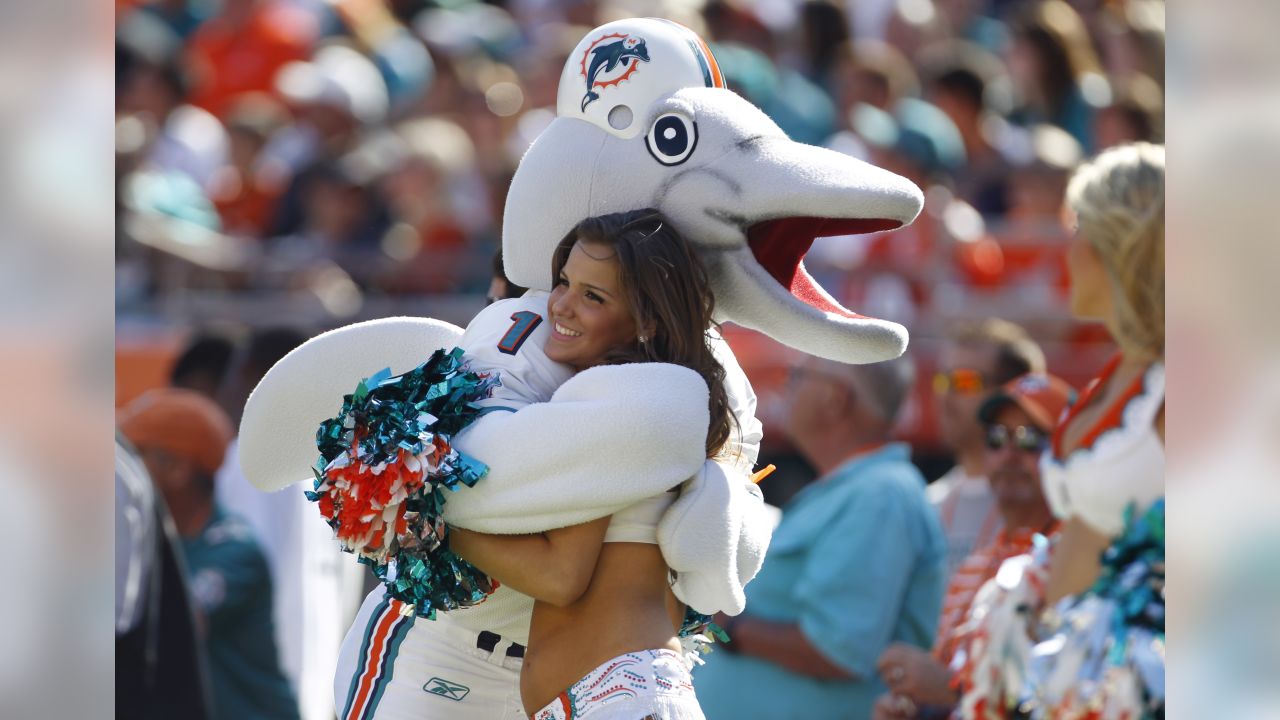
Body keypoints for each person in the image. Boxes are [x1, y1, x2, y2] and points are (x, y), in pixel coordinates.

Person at [446, 210, 732, 719]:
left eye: (593, 296)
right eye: (563, 282)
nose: (562, 306)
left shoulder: (618, 398)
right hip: (613, 693)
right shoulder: (644, 395)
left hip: (620, 697)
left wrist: (422, 514)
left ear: (647, 320)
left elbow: (561, 575)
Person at [953, 142, 1165, 719]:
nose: (1065, 251)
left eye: (1078, 231)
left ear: (1122, 247)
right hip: (1055, 684)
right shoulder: (1119, 374)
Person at [694, 353, 947, 720]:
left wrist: (724, 622)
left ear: (836, 398)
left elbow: (838, 650)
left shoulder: (879, 495)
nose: (786, 384)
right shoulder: (861, 490)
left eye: (798, 374)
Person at [871, 373, 1074, 720]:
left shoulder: (1075, 565)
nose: (1009, 453)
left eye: (1030, 439)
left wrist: (951, 691)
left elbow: (1073, 698)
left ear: (1070, 453)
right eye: (997, 439)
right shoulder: (976, 564)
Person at [119, 388, 300, 720]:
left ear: (177, 469)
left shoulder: (234, 548)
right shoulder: (149, 542)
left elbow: (177, 625)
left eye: (133, 456)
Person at [928, 319, 1045, 578]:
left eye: (965, 382)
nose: (946, 396)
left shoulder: (1042, 500)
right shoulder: (928, 503)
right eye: (943, 381)